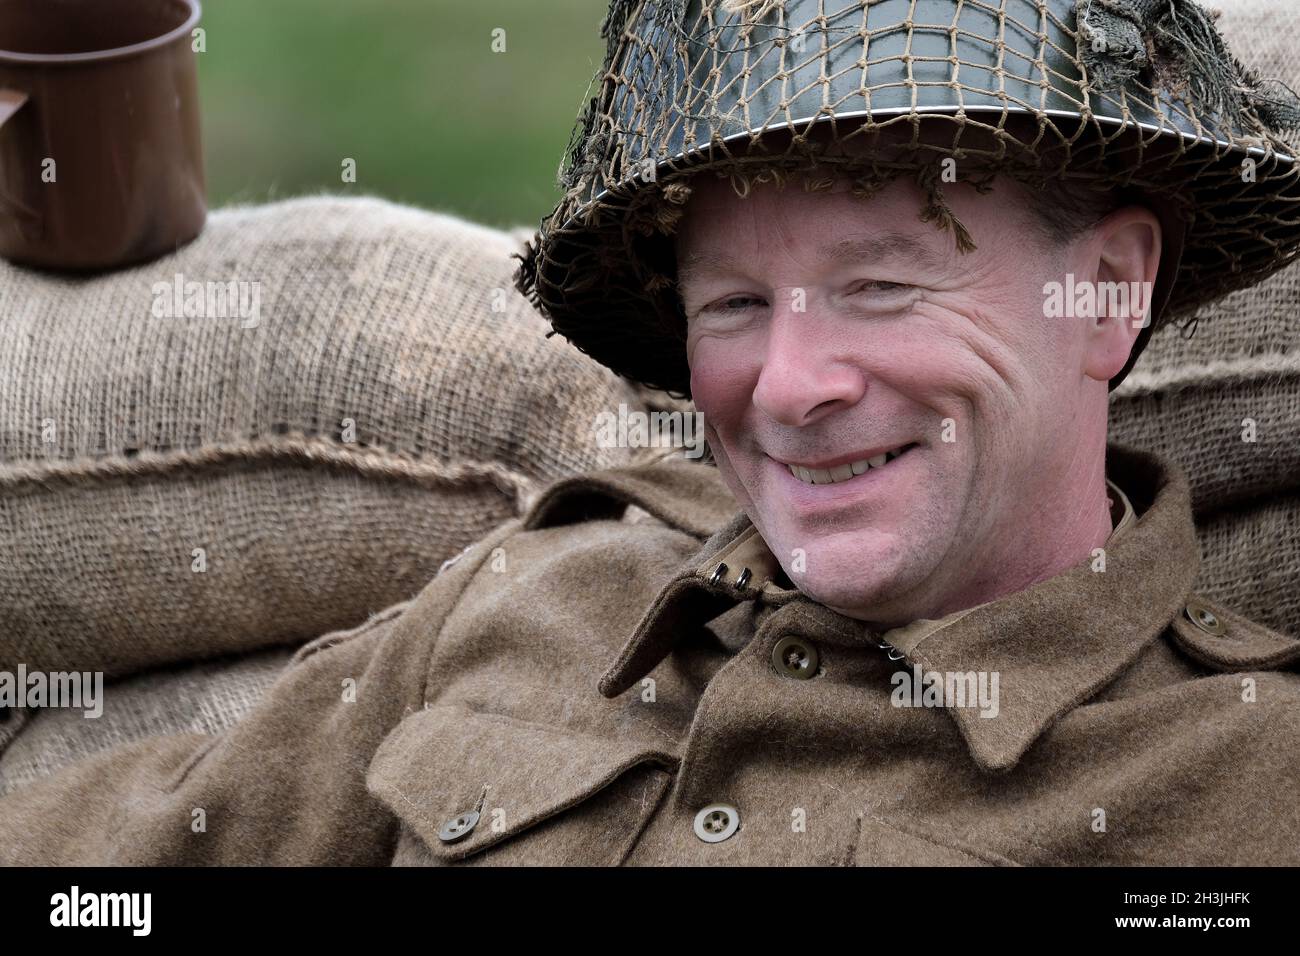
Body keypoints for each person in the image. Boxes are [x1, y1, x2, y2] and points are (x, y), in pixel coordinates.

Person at [3, 0, 1300, 865]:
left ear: (1112, 289)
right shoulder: (559, 591)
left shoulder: (1242, 786)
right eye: (733, 305)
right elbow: (121, 867)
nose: (788, 386)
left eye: (882, 288)